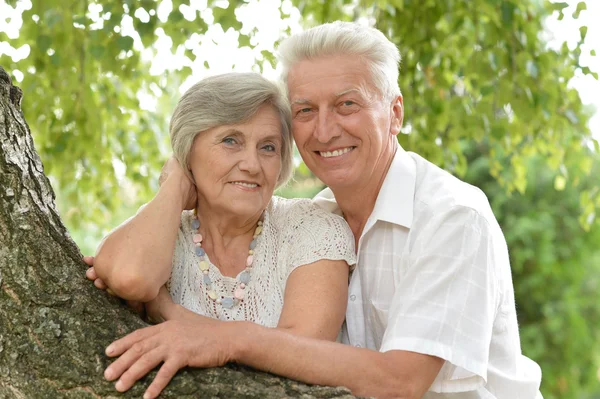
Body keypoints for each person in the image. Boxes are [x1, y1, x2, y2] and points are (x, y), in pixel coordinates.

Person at [89, 22, 543, 399]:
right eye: (305, 110)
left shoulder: (452, 218)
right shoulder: (324, 213)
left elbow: (400, 382)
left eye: (347, 104)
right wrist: (175, 185)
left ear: (395, 113)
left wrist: (211, 329)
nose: (324, 131)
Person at [85, 72, 356, 398]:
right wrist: (175, 185)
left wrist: (169, 312)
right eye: (231, 140)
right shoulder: (162, 230)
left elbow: (304, 356)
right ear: (189, 150)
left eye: (268, 147)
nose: (252, 165)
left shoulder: (311, 227)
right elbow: (131, 277)